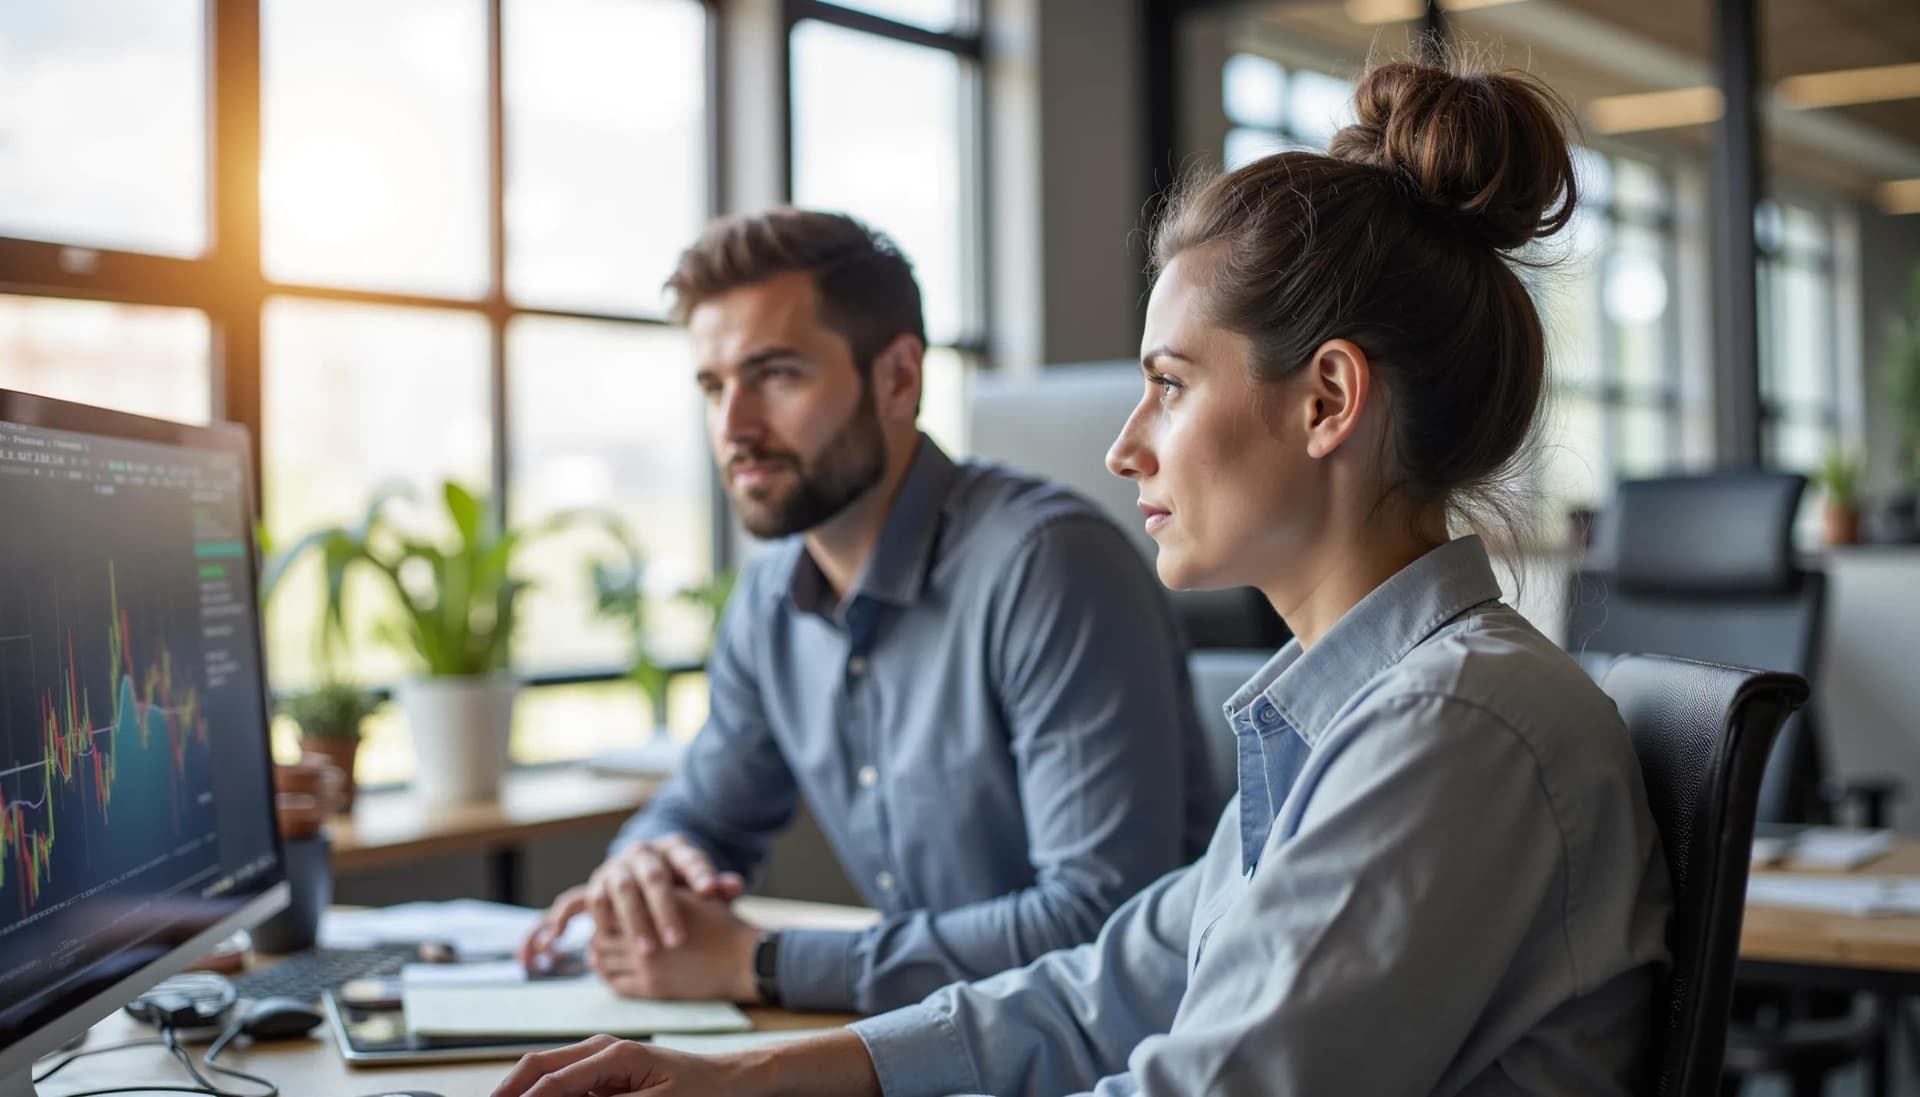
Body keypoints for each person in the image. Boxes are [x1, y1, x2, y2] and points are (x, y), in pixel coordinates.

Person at [492, 58, 1674, 1097]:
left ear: (1327, 401)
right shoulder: (1343, 705)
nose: (1127, 446)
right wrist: (754, 1074)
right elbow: (1100, 988)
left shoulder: (1449, 728)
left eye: (1169, 382)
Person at [517, 207, 1218, 1017]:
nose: (733, 426)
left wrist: (763, 960)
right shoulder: (772, 599)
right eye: (714, 386)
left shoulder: (1050, 567)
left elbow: (1100, 923)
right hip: (937, 1048)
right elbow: (704, 809)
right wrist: (643, 864)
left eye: (776, 374)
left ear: (898, 379)